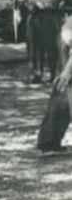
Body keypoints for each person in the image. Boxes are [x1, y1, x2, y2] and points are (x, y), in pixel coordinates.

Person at [16, 0, 69, 83]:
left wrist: (62, 3)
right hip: (35, 16)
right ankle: (37, 74)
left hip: (52, 16)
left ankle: (53, 74)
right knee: (35, 46)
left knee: (52, 46)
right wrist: (28, 6)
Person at [37, 15, 72, 153]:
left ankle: (48, 140)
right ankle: (48, 141)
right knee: (63, 93)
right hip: (67, 46)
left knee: (63, 96)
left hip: (66, 42)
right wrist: (67, 71)